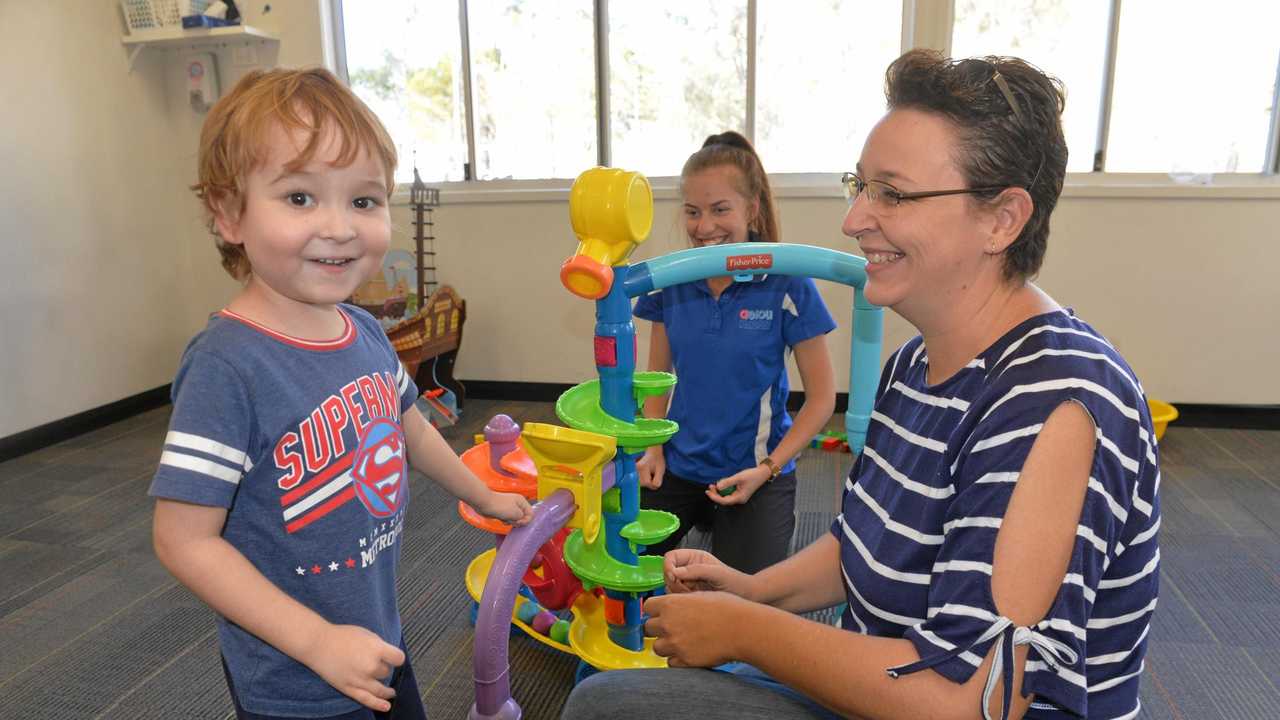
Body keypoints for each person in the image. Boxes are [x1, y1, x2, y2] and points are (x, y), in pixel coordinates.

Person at [563, 50, 1160, 720]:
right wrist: (752, 591)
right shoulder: (916, 364)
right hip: (880, 685)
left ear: (1002, 219)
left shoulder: (1057, 401)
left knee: (608, 708)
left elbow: (969, 702)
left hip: (927, 703)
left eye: (893, 194)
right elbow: (859, 545)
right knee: (612, 700)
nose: (854, 219)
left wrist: (746, 630)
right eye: (862, 185)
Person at [148, 68, 533, 720]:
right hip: (295, 676)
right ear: (228, 214)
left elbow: (408, 426)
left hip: (370, 634)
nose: (340, 226)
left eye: (363, 200)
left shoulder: (362, 332)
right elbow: (183, 540)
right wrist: (315, 642)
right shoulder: (226, 365)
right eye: (299, 198)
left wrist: (483, 493)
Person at [632, 130, 837, 574]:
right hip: (677, 465)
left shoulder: (788, 283)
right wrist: (652, 449)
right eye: (692, 212)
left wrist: (769, 468)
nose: (704, 227)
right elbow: (656, 380)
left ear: (752, 209)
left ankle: (753, 522)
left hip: (756, 471)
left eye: (720, 209)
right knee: (619, 573)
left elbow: (822, 399)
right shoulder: (672, 282)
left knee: (745, 605)